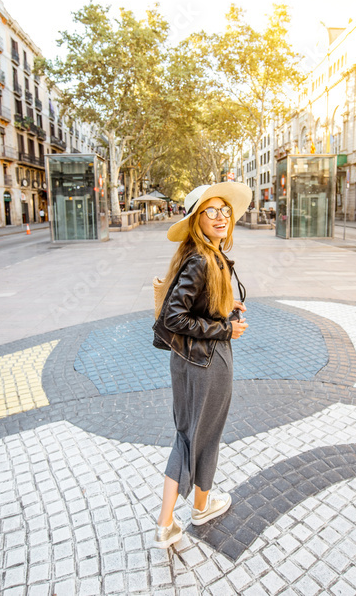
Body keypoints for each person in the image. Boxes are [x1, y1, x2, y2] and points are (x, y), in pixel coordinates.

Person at [151, 182, 252, 549]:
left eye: (224, 209)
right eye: (210, 211)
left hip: (187, 360)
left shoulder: (198, 254)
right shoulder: (201, 259)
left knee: (188, 433)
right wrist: (225, 328)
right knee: (204, 436)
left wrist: (223, 307)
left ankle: (186, 513)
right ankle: (182, 516)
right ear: (196, 219)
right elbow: (173, 318)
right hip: (209, 360)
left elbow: (192, 306)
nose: (221, 216)